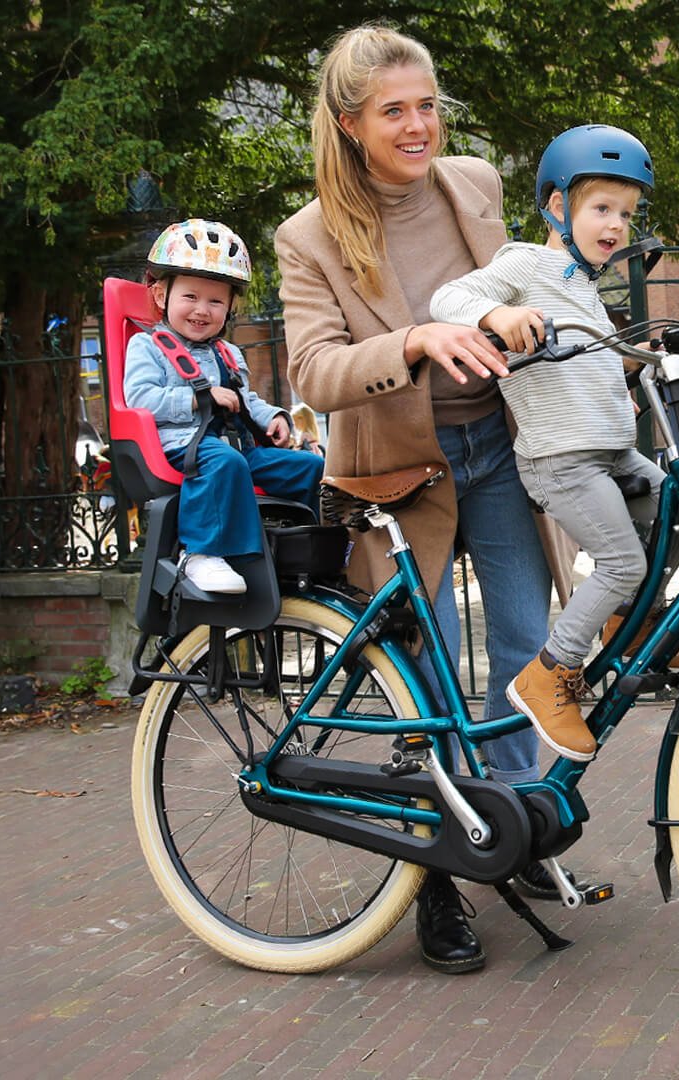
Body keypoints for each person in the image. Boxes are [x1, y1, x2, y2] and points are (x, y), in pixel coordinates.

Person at [275, 25, 575, 974]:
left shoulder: (475, 183)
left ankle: (512, 822)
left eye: (428, 105)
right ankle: (433, 879)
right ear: (352, 123)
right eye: (394, 111)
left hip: (499, 446)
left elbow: (533, 276)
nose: (418, 126)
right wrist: (410, 343)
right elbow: (314, 369)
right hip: (400, 476)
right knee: (428, 680)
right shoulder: (310, 235)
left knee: (531, 648)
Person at [429, 124, 679, 763]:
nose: (616, 225)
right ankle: (549, 673)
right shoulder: (524, 263)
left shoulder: (584, 289)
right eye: (601, 208)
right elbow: (449, 298)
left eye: (627, 214)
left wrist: (636, 363)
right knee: (621, 560)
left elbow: (590, 357)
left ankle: (629, 625)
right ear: (557, 207)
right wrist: (496, 317)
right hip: (560, 459)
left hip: (610, 451)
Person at [122, 218, 324, 595]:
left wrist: (273, 417)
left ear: (230, 306)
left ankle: (306, 550)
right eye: (190, 297)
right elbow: (141, 399)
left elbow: (244, 400)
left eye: (215, 301)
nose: (202, 309)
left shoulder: (228, 353)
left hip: (235, 447)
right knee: (223, 461)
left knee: (310, 467)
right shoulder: (148, 347)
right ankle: (201, 554)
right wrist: (200, 398)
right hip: (182, 445)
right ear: (162, 296)